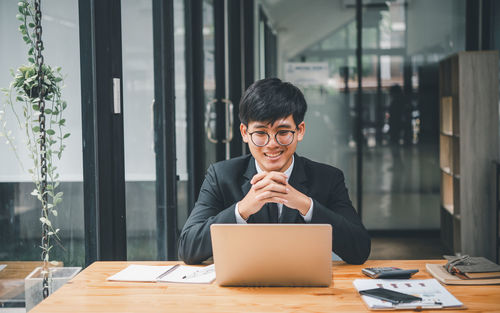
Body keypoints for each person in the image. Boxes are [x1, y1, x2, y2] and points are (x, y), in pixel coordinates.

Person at [178, 78, 371, 265]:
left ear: (300, 130)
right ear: (245, 133)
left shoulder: (328, 178)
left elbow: (359, 250)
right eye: (261, 133)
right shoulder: (221, 176)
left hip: (305, 290)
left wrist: (306, 205)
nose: (272, 144)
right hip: (243, 291)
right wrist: (243, 209)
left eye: (283, 132)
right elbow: (188, 248)